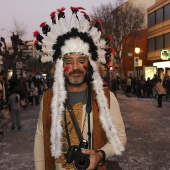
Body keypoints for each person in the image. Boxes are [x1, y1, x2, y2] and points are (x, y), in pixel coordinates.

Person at [34, 7, 127, 170]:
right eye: (69, 61)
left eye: (81, 60)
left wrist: (100, 155)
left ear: (89, 65)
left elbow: (119, 137)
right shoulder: (48, 98)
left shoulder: (106, 97)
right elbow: (41, 137)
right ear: (61, 66)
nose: (75, 67)